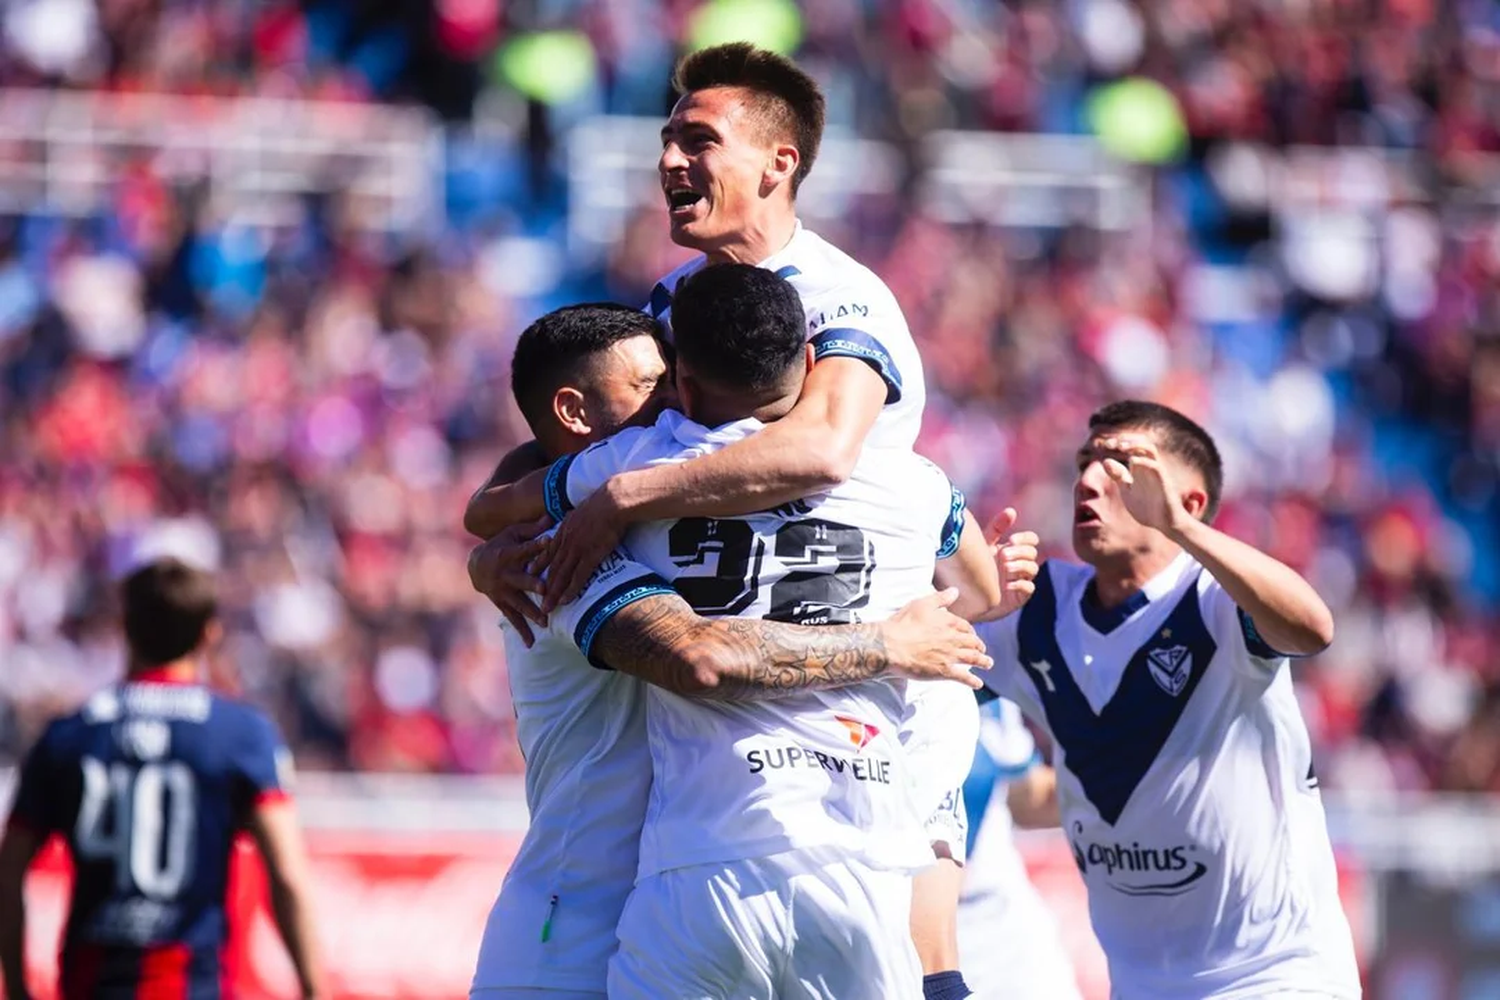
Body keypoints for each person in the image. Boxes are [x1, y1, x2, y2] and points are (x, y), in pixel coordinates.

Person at [515, 263, 1027, 998]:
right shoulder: (914, 482)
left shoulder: (637, 462)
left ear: (683, 387)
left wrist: (492, 554)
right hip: (862, 872)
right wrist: (902, 622)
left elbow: (499, 505)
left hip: (702, 868)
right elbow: (980, 593)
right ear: (813, 363)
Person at [975, 400, 1360, 999]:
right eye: (1085, 462)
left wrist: (1179, 530)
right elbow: (915, 664)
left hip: (1275, 976)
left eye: (1120, 465)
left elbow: (1313, 628)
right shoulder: (1035, 607)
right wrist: (973, 599)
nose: (1088, 480)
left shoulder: (1217, 601)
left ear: (1190, 501)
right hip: (1138, 984)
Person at [0, 558, 324, 1000]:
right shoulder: (239, 734)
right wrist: (313, 989)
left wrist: (18, 989)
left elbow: (9, 870)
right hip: (192, 987)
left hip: (91, 987)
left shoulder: (70, 735)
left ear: (124, 626)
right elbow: (287, 873)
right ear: (210, 634)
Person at [956, 698, 1083, 1000]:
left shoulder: (984, 682)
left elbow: (1024, 797)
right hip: (908, 938)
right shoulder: (850, 692)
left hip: (1007, 933)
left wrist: (1136, 796)